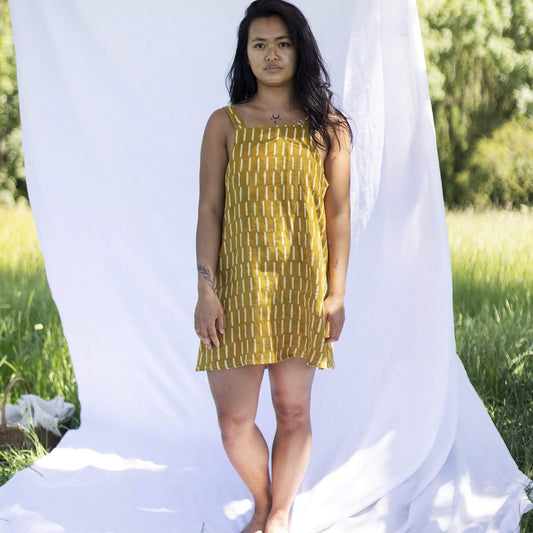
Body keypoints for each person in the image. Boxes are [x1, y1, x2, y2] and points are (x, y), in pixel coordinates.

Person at [194, 1, 352, 531]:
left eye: (282, 43)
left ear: (299, 49)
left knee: (293, 410)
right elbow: (209, 210)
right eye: (259, 44)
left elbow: (337, 214)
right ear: (245, 53)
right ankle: (263, 502)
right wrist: (206, 289)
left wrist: (336, 293)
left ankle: (279, 513)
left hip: (300, 288)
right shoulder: (225, 124)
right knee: (234, 421)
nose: (271, 54)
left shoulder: (329, 128)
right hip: (237, 290)